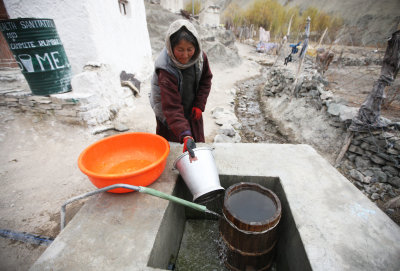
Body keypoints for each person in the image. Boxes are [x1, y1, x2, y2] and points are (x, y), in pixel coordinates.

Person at [150, 19, 213, 158]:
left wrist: (199, 104)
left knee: (196, 147)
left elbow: (206, 80)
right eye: (180, 50)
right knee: (174, 152)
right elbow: (171, 107)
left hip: (191, 109)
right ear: (171, 47)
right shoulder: (165, 69)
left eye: (190, 49)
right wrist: (185, 134)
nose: (185, 55)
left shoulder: (200, 58)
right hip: (169, 114)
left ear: (196, 46)